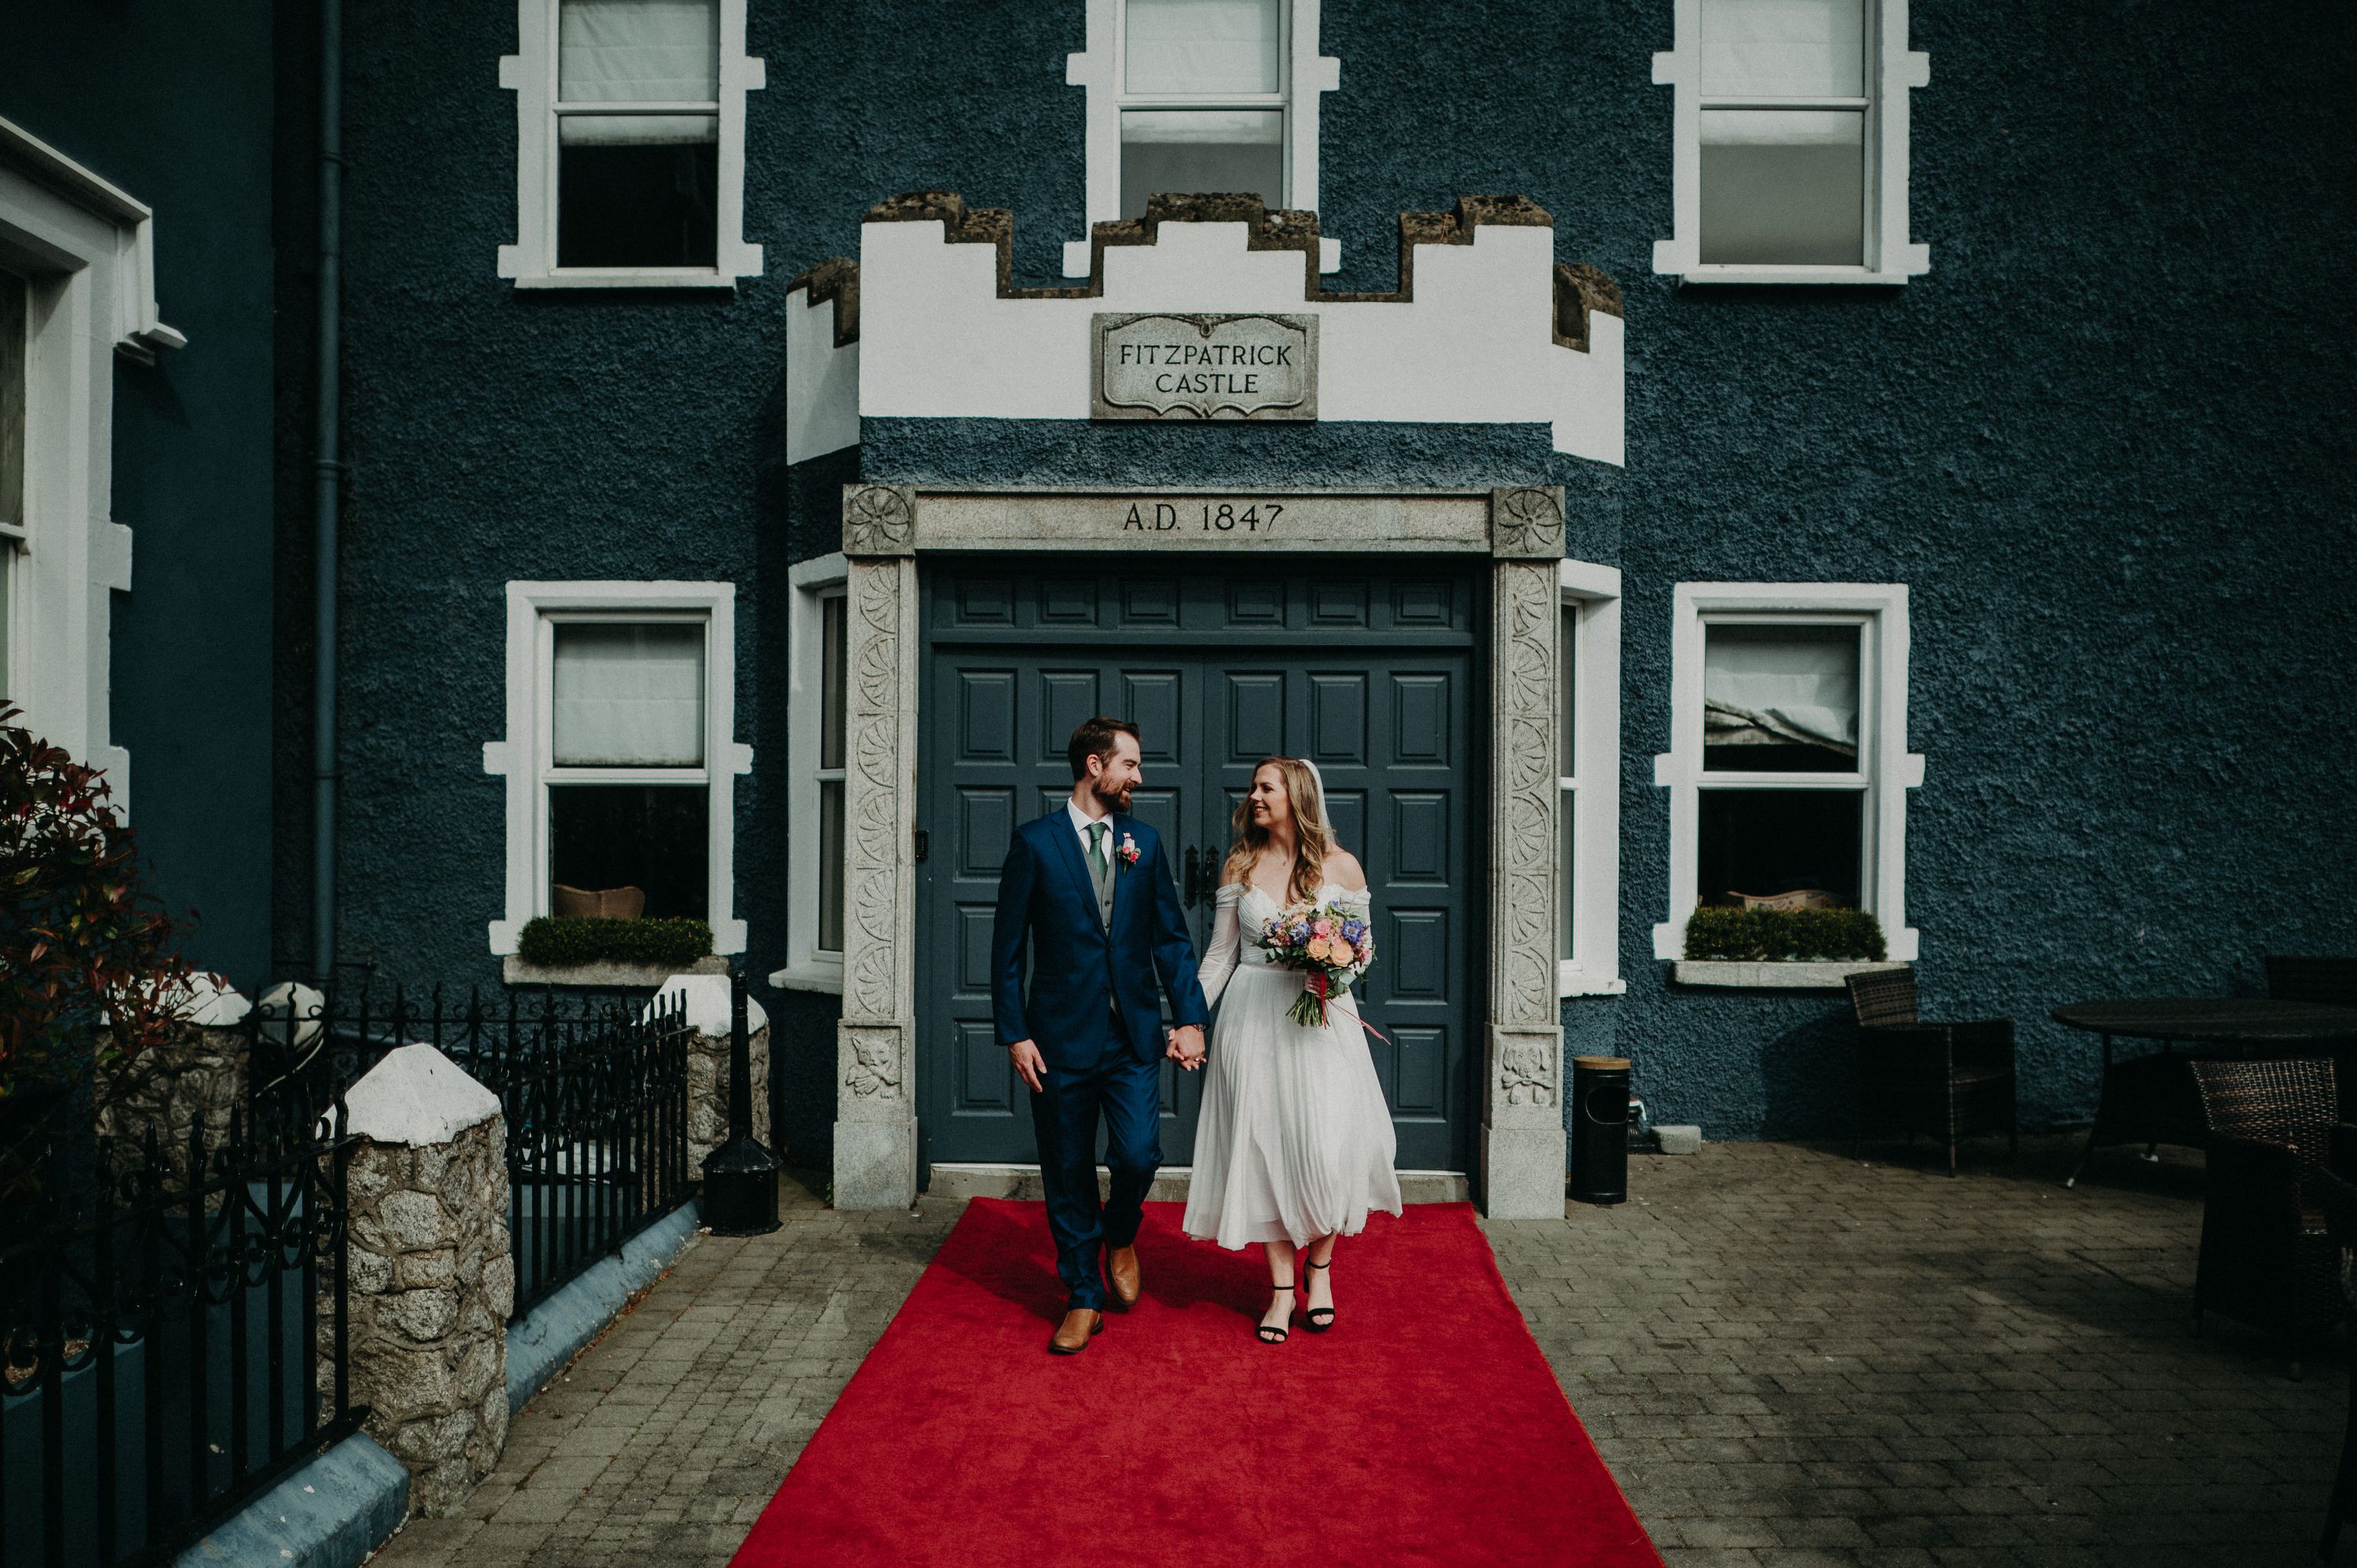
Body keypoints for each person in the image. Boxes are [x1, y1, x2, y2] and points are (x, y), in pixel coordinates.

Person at [990, 716, 1209, 1355]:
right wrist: (1016, 1033)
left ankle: (1120, 1233)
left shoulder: (1144, 841)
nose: (1139, 777)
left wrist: (1190, 1018)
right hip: (1057, 1039)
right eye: (1131, 765)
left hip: (1132, 1034)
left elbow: (1170, 937)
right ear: (1095, 766)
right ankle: (1083, 1295)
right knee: (1066, 1170)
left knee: (1140, 1155)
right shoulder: (1034, 844)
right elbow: (1007, 952)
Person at [1181, 756, 1402, 1343]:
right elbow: (1221, 956)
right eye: (1254, 787)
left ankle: (1321, 1269)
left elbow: (1365, 952)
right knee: (1263, 1151)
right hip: (1251, 1019)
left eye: (1265, 787)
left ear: (1297, 794)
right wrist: (1188, 1019)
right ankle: (1281, 1291)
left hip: (1321, 1022)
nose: (1253, 796)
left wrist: (1332, 969)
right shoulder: (1242, 863)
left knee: (1327, 1151)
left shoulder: (1341, 867)